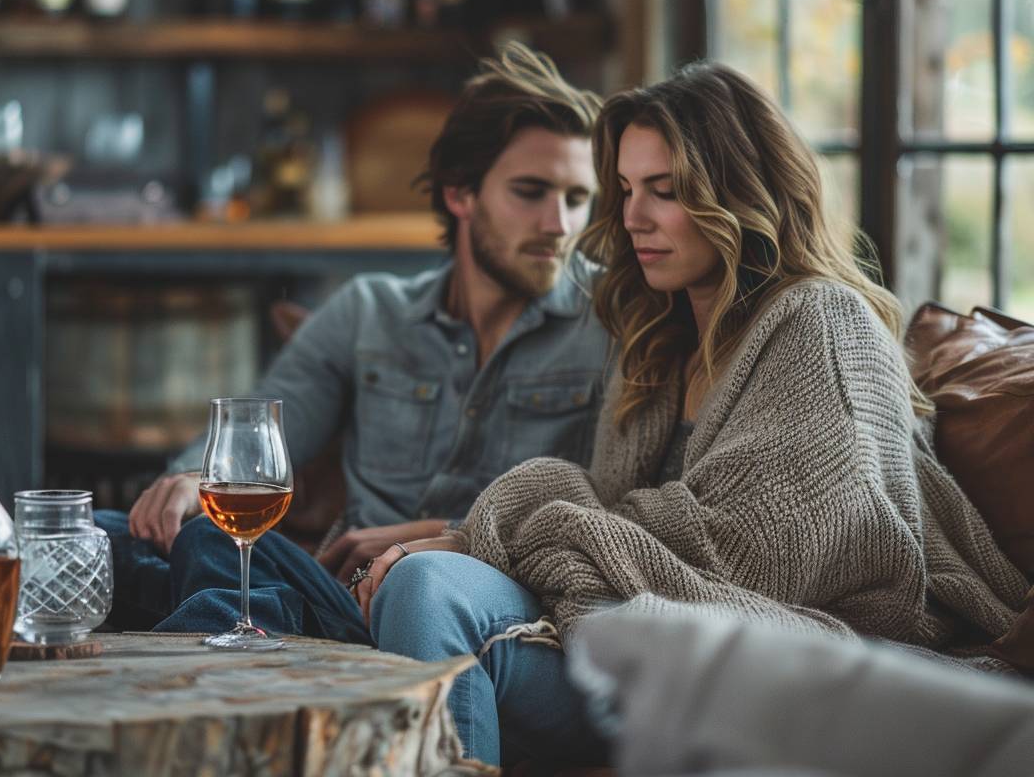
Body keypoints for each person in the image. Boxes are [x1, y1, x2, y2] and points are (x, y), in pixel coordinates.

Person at [361, 61, 1032, 767]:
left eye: (666, 191)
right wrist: (483, 538)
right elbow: (617, 519)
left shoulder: (821, 323)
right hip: (634, 631)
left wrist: (485, 534)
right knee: (374, 584)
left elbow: (757, 554)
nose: (633, 218)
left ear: (740, 194)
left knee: (425, 584)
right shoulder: (655, 338)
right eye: (624, 190)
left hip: (786, 655)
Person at [93, 42, 614, 640]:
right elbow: (269, 428)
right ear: (460, 194)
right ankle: (251, 638)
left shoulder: (611, 323)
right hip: (336, 595)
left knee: (207, 551)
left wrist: (443, 533)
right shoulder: (370, 311)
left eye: (578, 199)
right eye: (531, 192)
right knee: (85, 535)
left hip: (460, 595)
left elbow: (609, 504)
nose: (560, 225)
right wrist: (190, 479)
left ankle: (233, 674)